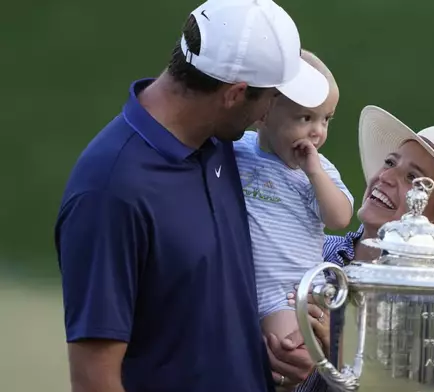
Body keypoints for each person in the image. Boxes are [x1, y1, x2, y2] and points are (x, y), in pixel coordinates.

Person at [53, 1, 330, 391]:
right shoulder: (111, 190)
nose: (271, 110)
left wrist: (263, 352)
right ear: (235, 94)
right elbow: (93, 379)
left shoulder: (223, 145)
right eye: (272, 97)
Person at [277, 105, 434, 391]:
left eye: (412, 179)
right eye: (391, 162)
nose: (385, 176)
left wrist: (345, 354)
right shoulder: (313, 250)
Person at [234, 48, 353, 382]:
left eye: (326, 119)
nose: (318, 131)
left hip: (284, 294)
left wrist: (314, 172)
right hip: (233, 284)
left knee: (289, 359)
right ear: (263, 115)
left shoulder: (319, 173)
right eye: (306, 118)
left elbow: (340, 217)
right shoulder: (238, 149)